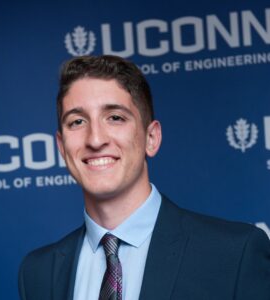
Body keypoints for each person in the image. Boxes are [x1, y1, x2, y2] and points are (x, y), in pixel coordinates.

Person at [18, 55, 270, 300]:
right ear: (62, 147)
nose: (95, 139)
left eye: (115, 118)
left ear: (151, 138)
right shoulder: (38, 272)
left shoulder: (235, 254)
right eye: (77, 121)